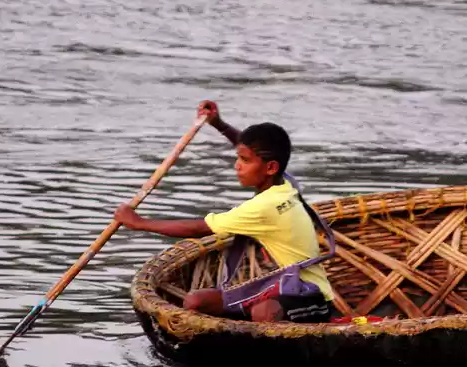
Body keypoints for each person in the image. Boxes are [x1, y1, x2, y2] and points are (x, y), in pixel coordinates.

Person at [113, 100, 334, 323]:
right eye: (238, 157)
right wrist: (219, 125)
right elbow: (253, 148)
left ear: (270, 168)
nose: (237, 166)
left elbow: (199, 228)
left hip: (311, 297)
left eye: (244, 161)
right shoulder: (285, 183)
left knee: (264, 312)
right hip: (278, 287)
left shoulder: (265, 206)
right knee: (195, 302)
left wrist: (139, 223)